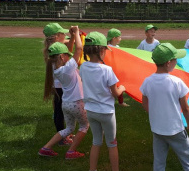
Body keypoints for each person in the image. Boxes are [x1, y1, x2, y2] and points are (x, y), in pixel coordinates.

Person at [140, 43, 189, 171]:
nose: (176, 62)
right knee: (188, 163)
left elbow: (144, 103)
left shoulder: (147, 81)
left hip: (157, 129)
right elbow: (186, 107)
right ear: (168, 63)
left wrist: (155, 114)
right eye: (175, 59)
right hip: (176, 130)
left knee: (159, 163)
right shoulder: (176, 82)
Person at [39, 27, 89, 159]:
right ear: (62, 57)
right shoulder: (67, 69)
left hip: (66, 104)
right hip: (76, 103)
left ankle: (46, 148)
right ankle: (71, 151)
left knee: (69, 129)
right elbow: (79, 49)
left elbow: (74, 51)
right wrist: (77, 33)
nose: (69, 56)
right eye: (67, 55)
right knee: (84, 126)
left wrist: (73, 36)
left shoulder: (56, 68)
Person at [80, 31, 126, 171]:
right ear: (101, 50)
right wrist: (122, 89)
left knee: (96, 142)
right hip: (106, 112)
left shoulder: (83, 67)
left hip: (91, 111)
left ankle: (92, 169)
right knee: (112, 143)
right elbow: (115, 93)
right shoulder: (107, 70)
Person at [43, 23, 76, 145]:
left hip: (57, 86)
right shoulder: (57, 50)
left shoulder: (53, 47)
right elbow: (71, 51)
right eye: (63, 34)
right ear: (57, 36)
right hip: (60, 87)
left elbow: (68, 47)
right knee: (59, 112)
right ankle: (62, 138)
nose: (65, 35)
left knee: (60, 111)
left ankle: (65, 133)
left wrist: (72, 37)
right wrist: (74, 36)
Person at [107, 28, 130, 107]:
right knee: (110, 86)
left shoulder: (118, 47)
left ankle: (121, 102)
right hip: (110, 69)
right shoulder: (107, 47)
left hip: (117, 69)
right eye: (119, 37)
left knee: (119, 84)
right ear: (114, 38)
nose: (121, 38)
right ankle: (109, 100)